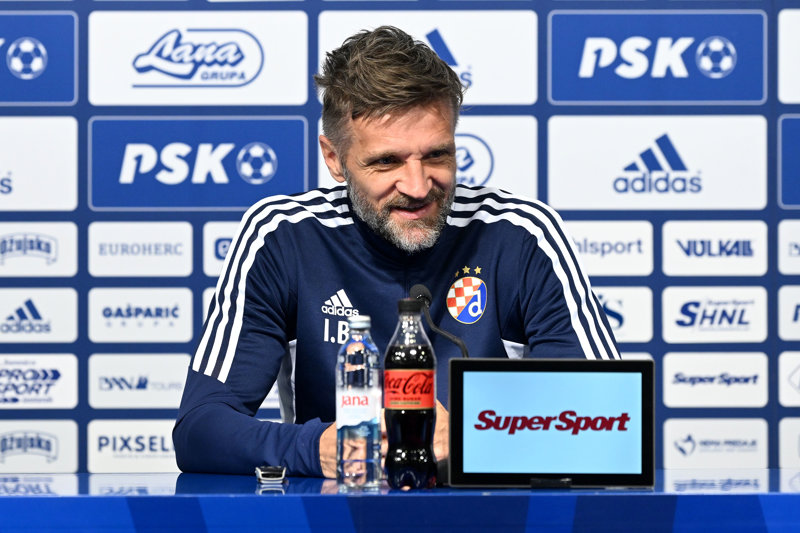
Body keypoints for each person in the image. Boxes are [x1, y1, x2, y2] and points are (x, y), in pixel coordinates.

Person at [173, 25, 620, 478]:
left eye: (437, 155)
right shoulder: (283, 236)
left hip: (491, 508)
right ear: (334, 158)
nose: (418, 186)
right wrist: (318, 447)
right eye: (386, 161)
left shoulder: (521, 234)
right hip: (336, 508)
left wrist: (474, 435)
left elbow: (607, 423)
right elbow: (199, 429)